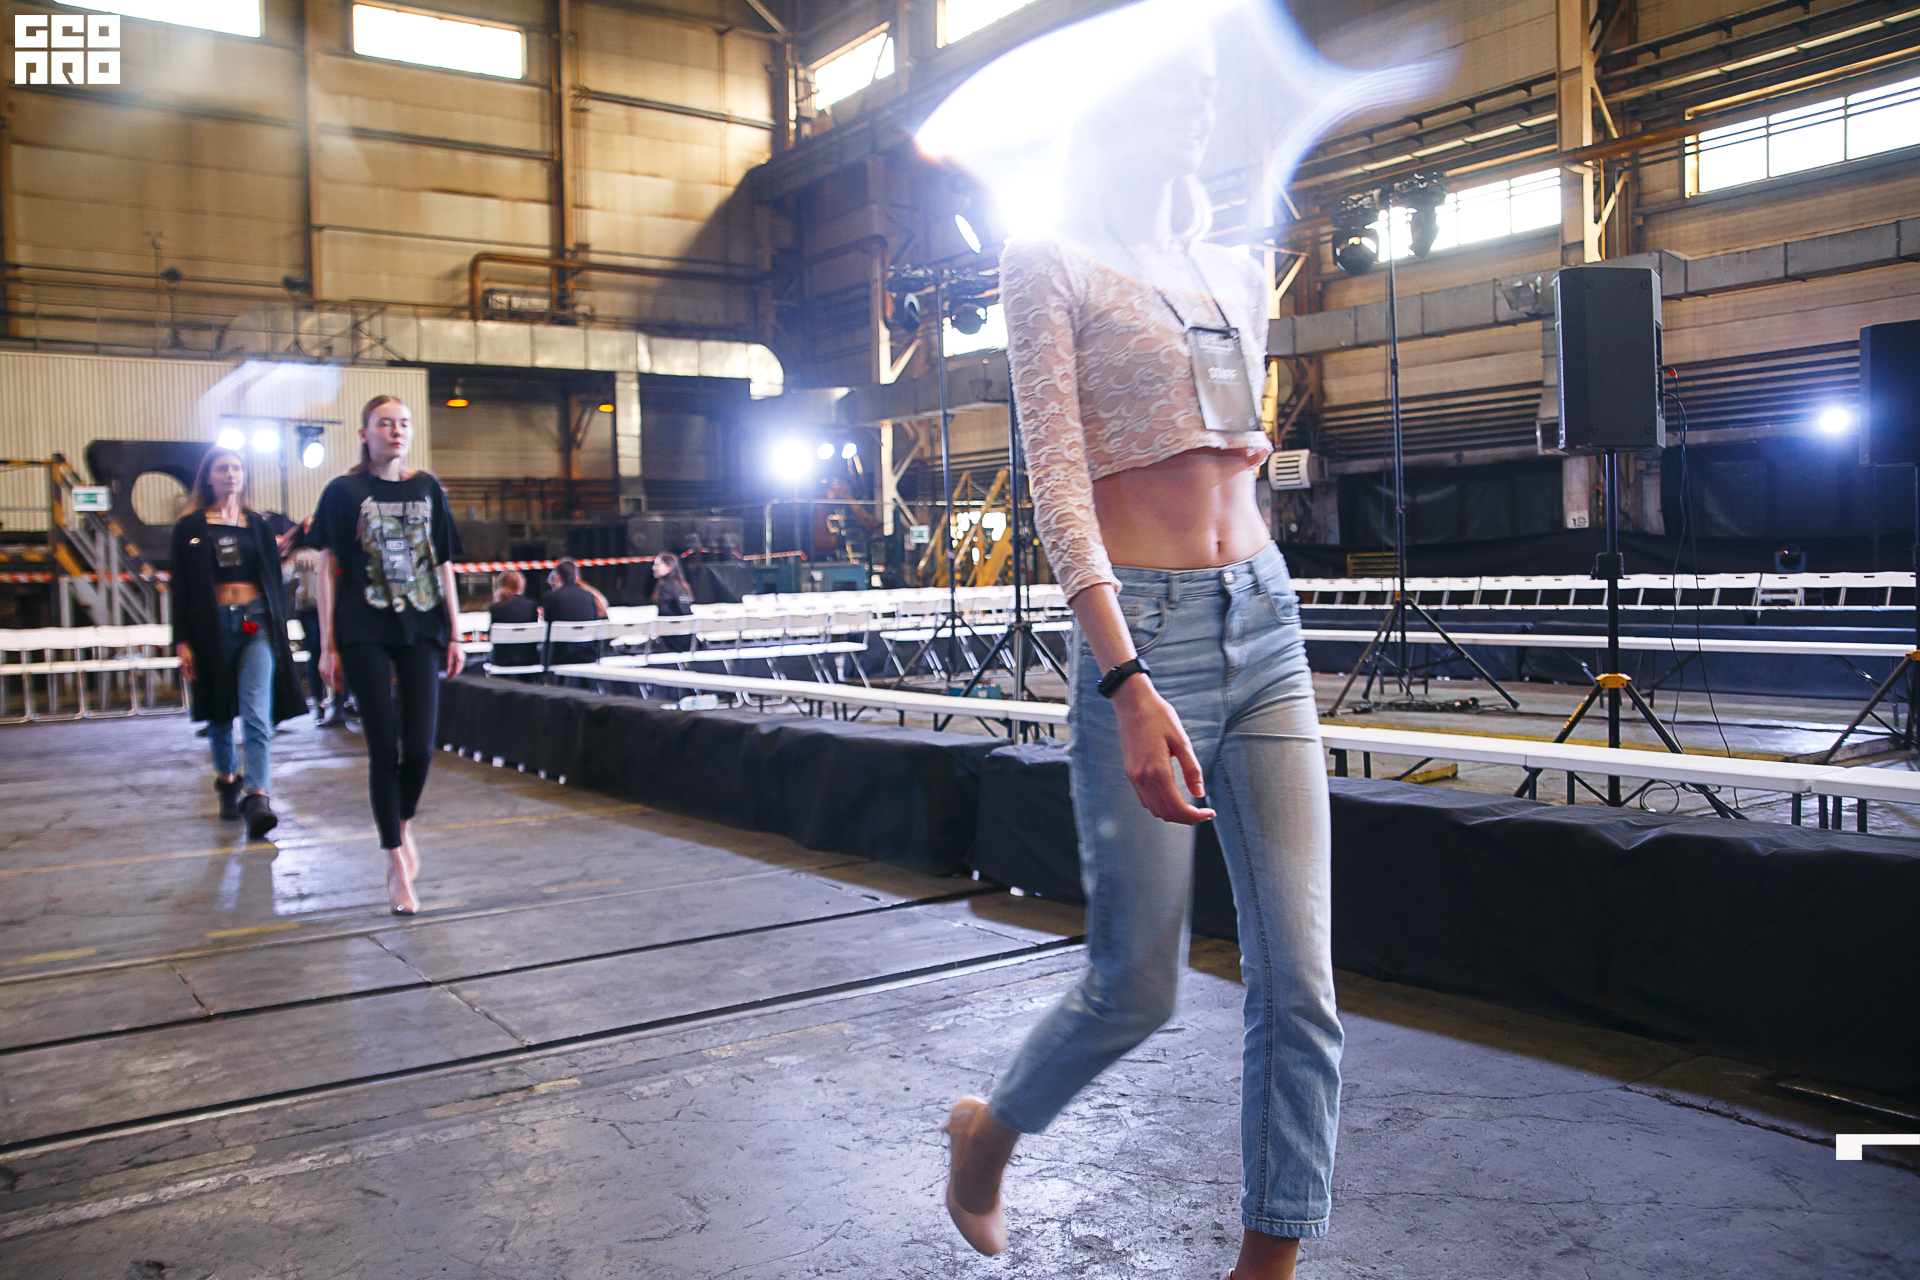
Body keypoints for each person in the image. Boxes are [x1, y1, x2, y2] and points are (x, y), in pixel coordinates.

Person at [940, 35, 1339, 1280]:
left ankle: (1266, 1266)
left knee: (1301, 981)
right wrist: (1122, 679)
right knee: (1137, 982)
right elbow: (1059, 487)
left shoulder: (1236, 265)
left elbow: (1230, 441)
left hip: (1264, 621)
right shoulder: (1047, 258)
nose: (1200, 113)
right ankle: (987, 1134)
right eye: (1178, 91)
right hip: (1145, 636)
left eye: (1210, 96)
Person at [311, 394, 465, 915]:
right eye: (384, 423)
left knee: (419, 747)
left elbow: (443, 563)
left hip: (422, 623)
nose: (396, 431)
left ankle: (401, 822)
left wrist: (456, 632)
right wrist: (327, 644)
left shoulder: (427, 488)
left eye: (403, 423)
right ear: (364, 433)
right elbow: (326, 569)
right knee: (383, 746)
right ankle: (395, 859)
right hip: (364, 625)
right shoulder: (343, 491)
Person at [170, 447, 307, 839]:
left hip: (255, 622)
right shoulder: (190, 526)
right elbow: (180, 588)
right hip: (210, 626)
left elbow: (272, 575)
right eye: (222, 468)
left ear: (244, 476)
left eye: (236, 468)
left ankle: (258, 796)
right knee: (217, 713)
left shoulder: (257, 524)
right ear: (208, 477)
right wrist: (182, 641)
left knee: (256, 711)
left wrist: (293, 550)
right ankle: (228, 780)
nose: (230, 474)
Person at [542, 557, 606, 668]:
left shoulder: (551, 597)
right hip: (588, 655)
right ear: (577, 578)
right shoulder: (590, 597)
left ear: (558, 577)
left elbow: (547, 627)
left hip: (560, 656)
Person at [487, 569, 540, 672]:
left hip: (501, 661)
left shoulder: (496, 607)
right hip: (528, 661)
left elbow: (491, 636)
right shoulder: (531, 606)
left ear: (501, 585)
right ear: (521, 585)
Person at [650, 552, 694, 616]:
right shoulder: (684, 587)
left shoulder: (664, 587)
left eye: (657, 564)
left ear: (669, 567)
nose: (653, 568)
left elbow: (664, 614)